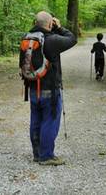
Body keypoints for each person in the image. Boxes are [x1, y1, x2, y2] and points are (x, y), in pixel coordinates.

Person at [27, 11, 77, 165]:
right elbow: (72, 39)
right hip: (50, 90)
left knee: (36, 120)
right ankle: (46, 156)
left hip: (33, 87)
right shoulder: (52, 40)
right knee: (50, 121)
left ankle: (37, 154)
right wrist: (60, 27)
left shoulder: (28, 37)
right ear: (50, 24)